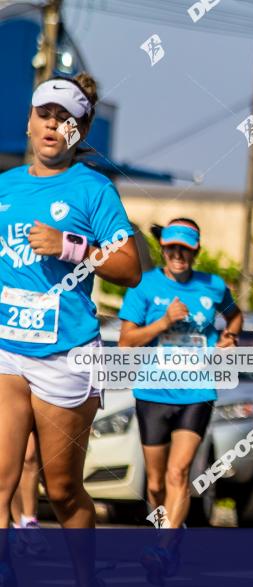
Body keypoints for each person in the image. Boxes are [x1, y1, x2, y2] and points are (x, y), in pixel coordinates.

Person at [0, 73, 141, 587]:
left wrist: (70, 246)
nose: (52, 126)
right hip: (7, 349)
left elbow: (129, 268)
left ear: (80, 131)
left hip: (68, 354)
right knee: (2, 476)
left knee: (62, 489)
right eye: (45, 114)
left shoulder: (93, 189)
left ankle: (86, 578)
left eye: (66, 119)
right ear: (30, 119)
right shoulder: (6, 185)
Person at [118, 218, 241, 579]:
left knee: (179, 472)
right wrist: (162, 323)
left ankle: (162, 548)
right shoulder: (145, 286)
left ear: (195, 251)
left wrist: (229, 338)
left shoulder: (214, 286)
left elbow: (234, 317)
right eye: (172, 248)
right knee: (155, 483)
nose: (178, 254)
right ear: (163, 250)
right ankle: (169, 533)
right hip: (153, 391)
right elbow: (126, 341)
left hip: (197, 391)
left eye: (185, 249)